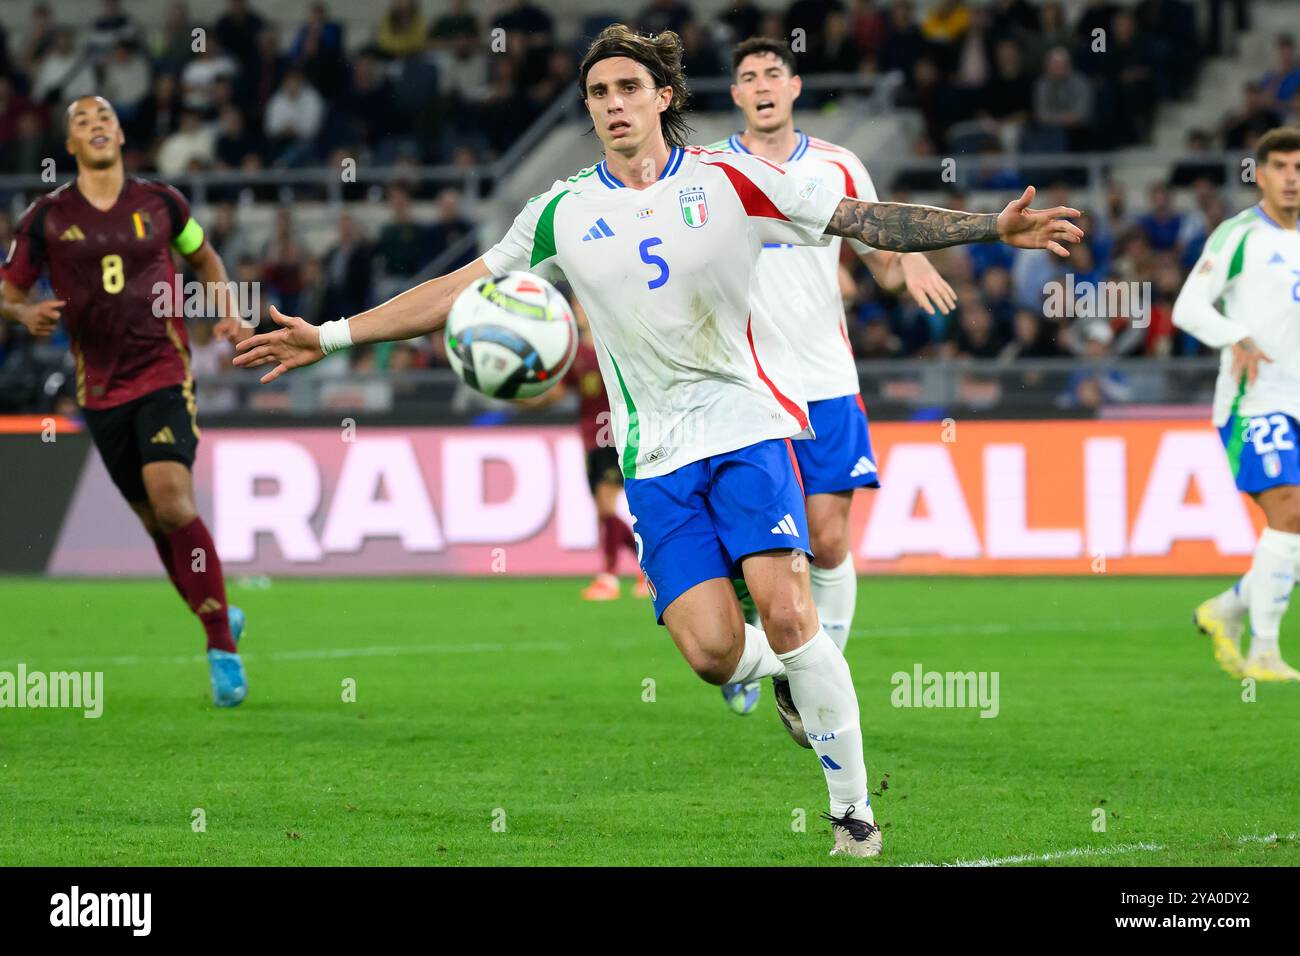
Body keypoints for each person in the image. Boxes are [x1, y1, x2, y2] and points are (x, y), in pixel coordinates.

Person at [233, 24, 1082, 857]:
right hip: (655, 456)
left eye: (628, 88)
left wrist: (987, 229)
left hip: (748, 424)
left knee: (790, 608)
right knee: (715, 654)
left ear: (664, 97)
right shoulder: (561, 211)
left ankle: (852, 814)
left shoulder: (730, 180)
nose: (612, 105)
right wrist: (331, 336)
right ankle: (791, 671)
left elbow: (866, 219)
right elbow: (457, 288)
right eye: (598, 93)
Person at [709, 36, 955, 716]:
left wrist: (909, 260)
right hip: (746, 383)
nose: (761, 84)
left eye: (772, 73)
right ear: (735, 95)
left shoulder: (839, 165)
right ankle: (746, 641)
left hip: (824, 376)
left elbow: (875, 248)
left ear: (793, 87)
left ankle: (818, 677)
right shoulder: (711, 171)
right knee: (754, 543)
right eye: (748, 76)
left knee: (828, 539)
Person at [0, 96, 252, 705]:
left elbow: (206, 257)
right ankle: (215, 611)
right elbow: (7, 291)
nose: (96, 127)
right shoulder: (46, 218)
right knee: (153, 522)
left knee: (171, 502)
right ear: (70, 143)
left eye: (105, 119)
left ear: (119, 134)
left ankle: (221, 646)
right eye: (83, 122)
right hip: (100, 391)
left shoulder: (162, 203)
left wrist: (227, 311)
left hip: (163, 374)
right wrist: (23, 310)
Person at [1176, 126, 1300, 683]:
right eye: (1280, 167)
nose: (1292, 178)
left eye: (1299, 168)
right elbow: (1187, 307)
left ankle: (1225, 612)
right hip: (1255, 403)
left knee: (1292, 535)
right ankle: (1264, 653)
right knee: (1289, 511)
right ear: (1261, 173)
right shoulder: (1239, 234)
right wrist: (1236, 336)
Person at [522, 300, 647, 601]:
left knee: (606, 507)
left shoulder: (618, 344)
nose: (576, 312)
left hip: (616, 435)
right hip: (590, 440)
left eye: (579, 306)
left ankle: (609, 578)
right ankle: (646, 571)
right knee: (602, 513)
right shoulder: (575, 354)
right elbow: (556, 394)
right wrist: (518, 396)